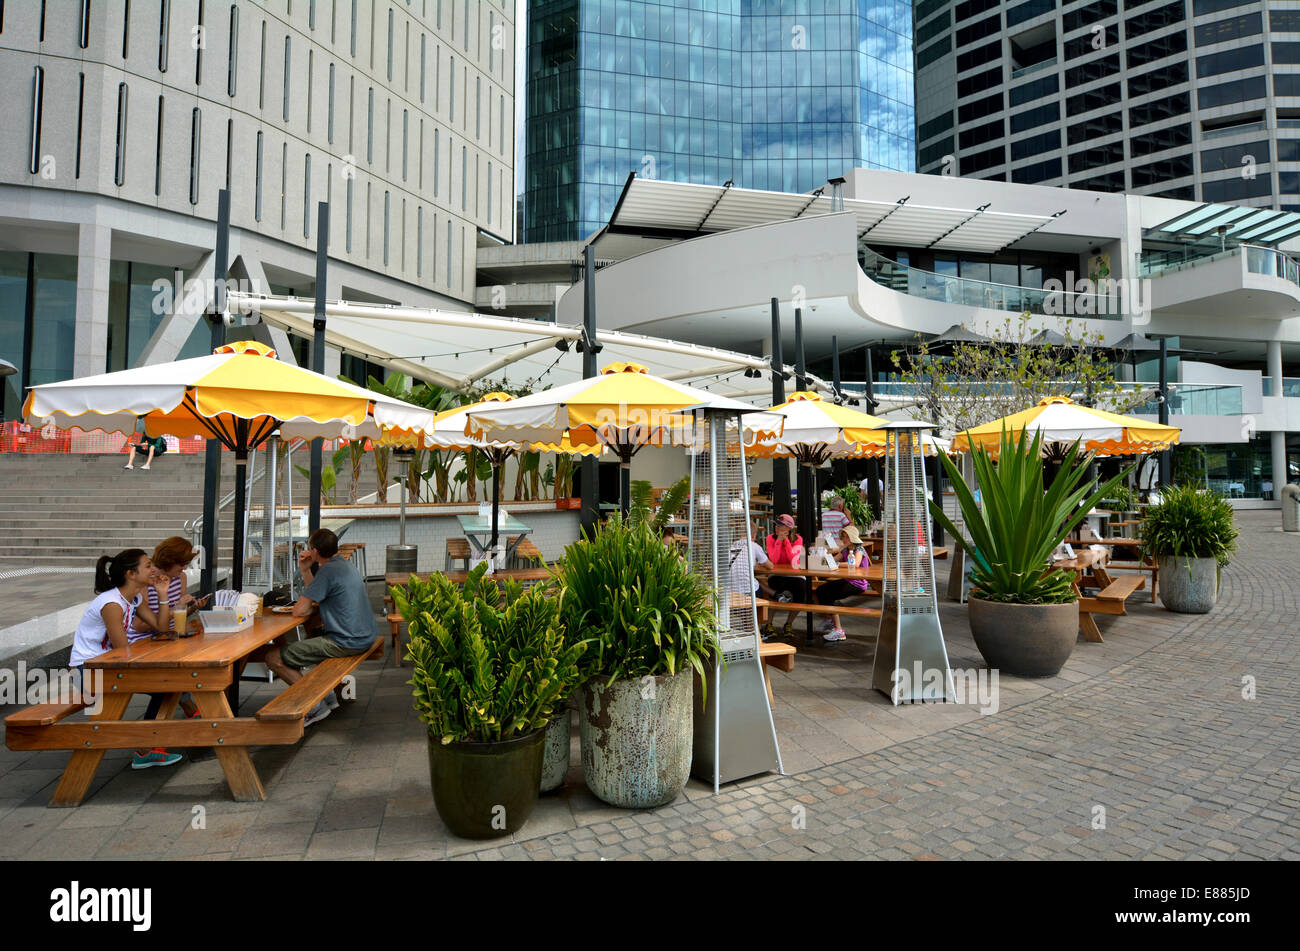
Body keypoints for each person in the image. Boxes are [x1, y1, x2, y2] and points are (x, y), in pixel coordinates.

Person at [70, 549, 184, 769]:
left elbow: (160, 627)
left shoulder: (134, 597)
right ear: (131, 574)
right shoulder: (111, 604)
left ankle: (146, 747)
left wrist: (162, 594)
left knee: (171, 687)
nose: (154, 570)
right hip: (87, 670)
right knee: (168, 685)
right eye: (148, 566)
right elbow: (122, 651)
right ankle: (145, 747)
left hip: (107, 665)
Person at [265, 528, 377, 727]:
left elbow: (299, 611)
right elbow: (317, 592)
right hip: (364, 635)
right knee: (314, 634)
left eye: (309, 548)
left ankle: (315, 706)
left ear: (315, 551)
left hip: (347, 641)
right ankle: (329, 698)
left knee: (273, 657)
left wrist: (303, 602)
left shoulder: (327, 571)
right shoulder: (343, 565)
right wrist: (306, 570)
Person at [133, 537, 204, 720]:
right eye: (182, 564)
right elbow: (140, 626)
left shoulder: (180, 577)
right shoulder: (146, 583)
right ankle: (190, 711)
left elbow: (177, 616)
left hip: (168, 636)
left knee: (194, 663)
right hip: (144, 643)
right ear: (170, 561)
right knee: (174, 678)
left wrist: (192, 608)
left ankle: (191, 710)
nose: (185, 568)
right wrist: (176, 608)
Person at [813, 524, 872, 643]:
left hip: (857, 583)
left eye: (846, 537)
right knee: (820, 590)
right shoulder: (845, 549)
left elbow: (855, 564)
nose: (843, 539)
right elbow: (833, 559)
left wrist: (836, 564)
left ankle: (839, 630)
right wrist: (821, 559)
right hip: (848, 580)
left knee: (830, 595)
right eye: (843, 536)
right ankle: (829, 620)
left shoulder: (859, 549)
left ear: (852, 537)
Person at [762, 514, 806, 640]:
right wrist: (778, 542)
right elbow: (774, 559)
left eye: (781, 525)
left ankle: (789, 623)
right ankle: (769, 624)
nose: (777, 527)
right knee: (775, 591)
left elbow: (793, 560)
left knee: (801, 592)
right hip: (776, 573)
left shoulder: (798, 539)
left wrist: (785, 541)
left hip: (795, 574)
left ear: (789, 528)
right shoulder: (770, 538)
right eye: (776, 524)